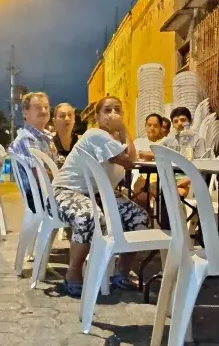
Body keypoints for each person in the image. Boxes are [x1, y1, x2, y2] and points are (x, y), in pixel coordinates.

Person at [52, 96, 148, 297]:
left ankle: (120, 272)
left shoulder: (113, 141)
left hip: (97, 193)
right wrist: (123, 130)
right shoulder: (96, 134)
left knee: (139, 217)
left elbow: (132, 157)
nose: (113, 114)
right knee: (89, 216)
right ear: (97, 116)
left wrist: (122, 132)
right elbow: (130, 161)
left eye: (117, 109)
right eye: (107, 110)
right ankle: (73, 273)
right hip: (66, 191)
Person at [8, 91, 58, 208]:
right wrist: (65, 181)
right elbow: (39, 175)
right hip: (41, 199)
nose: (44, 111)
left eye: (46, 107)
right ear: (25, 113)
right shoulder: (26, 138)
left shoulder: (46, 137)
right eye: (38, 108)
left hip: (50, 193)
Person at [161, 106, 206, 197]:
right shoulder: (169, 141)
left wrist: (188, 180)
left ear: (190, 121)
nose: (180, 123)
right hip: (171, 178)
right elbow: (155, 150)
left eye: (183, 120)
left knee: (174, 194)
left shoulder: (198, 140)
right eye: (176, 121)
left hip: (190, 179)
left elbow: (202, 165)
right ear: (173, 124)